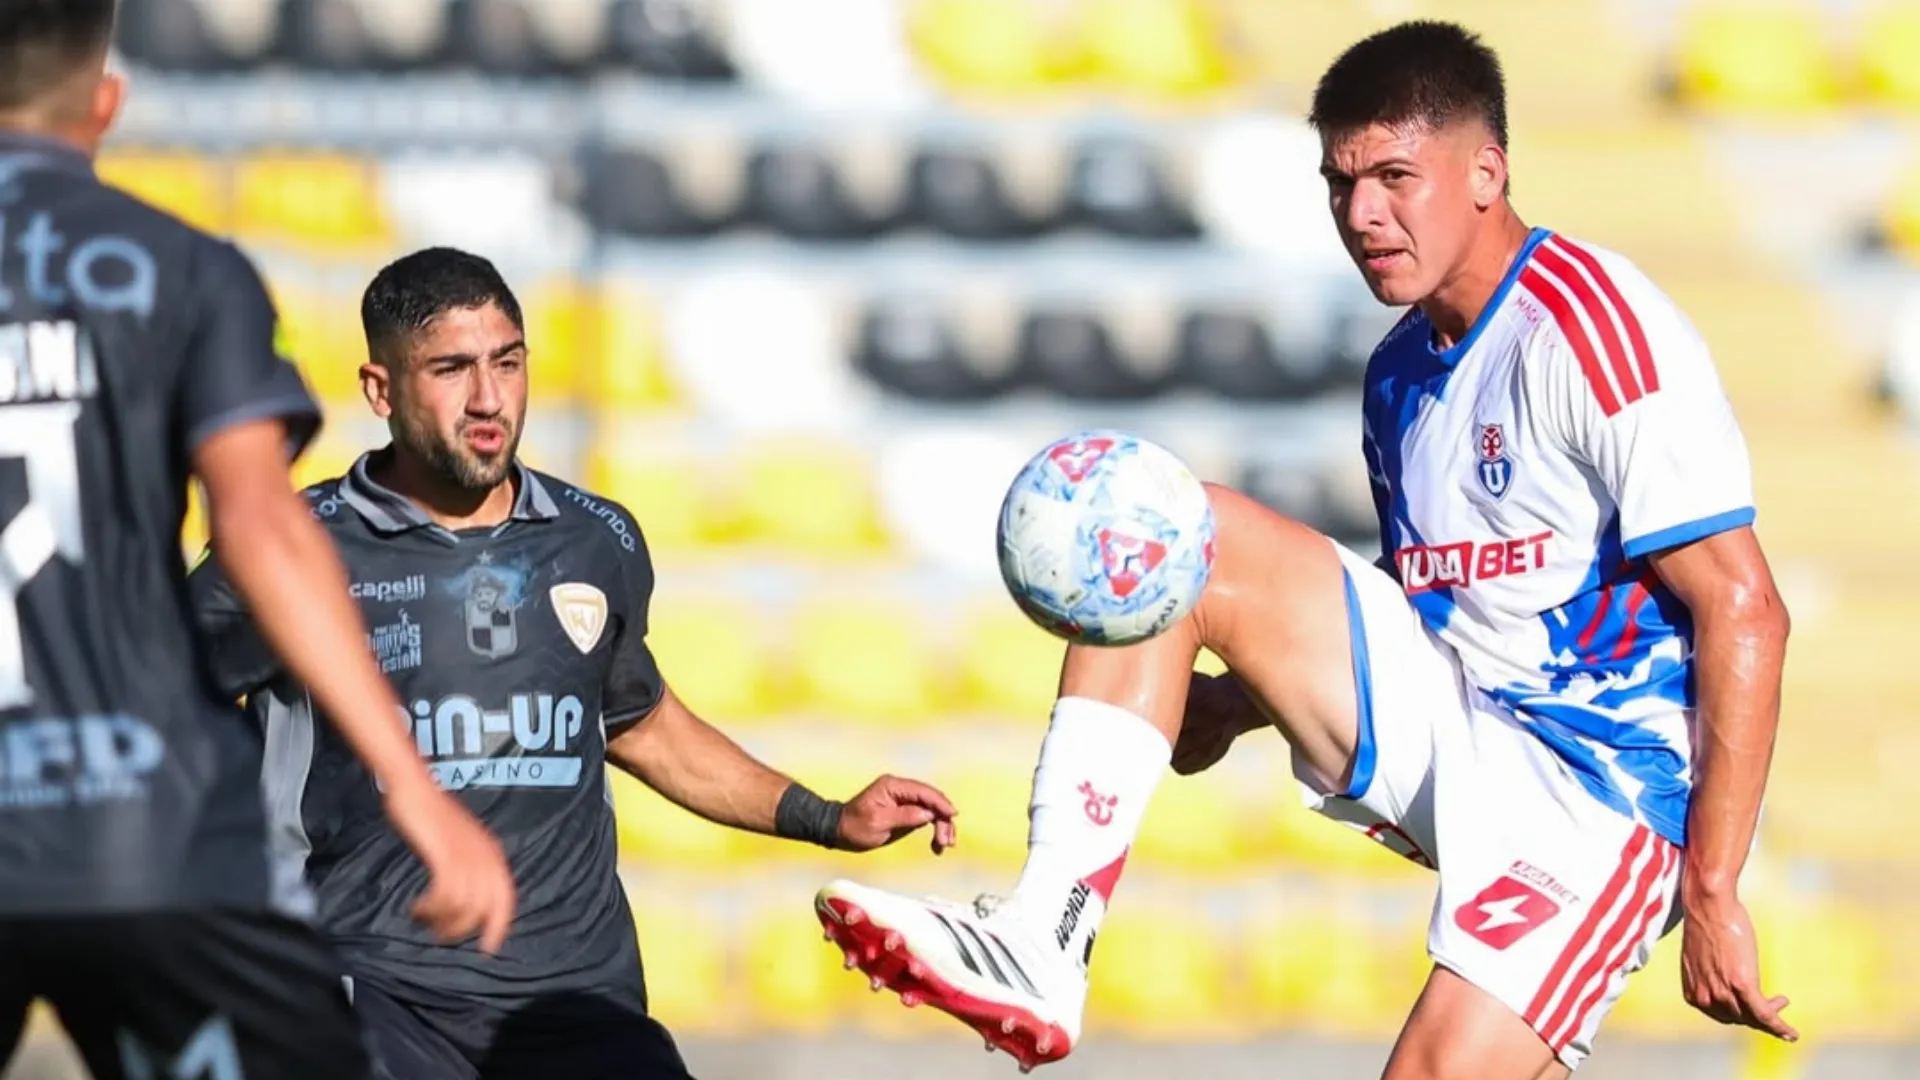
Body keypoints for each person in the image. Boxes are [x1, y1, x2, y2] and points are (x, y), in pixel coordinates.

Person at [815, 20, 1794, 1080]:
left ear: (1486, 170)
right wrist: (1238, 700)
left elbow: (1745, 609)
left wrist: (1713, 888)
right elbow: (1430, 595)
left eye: (1393, 177)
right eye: (1340, 183)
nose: (1363, 214)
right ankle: (1042, 940)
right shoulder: (1400, 370)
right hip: (1461, 724)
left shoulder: (1596, 329)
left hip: (1601, 791)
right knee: (1183, 535)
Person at [188, 246, 961, 1080]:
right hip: (368, 986)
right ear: (381, 390)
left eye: (508, 362)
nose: (488, 398)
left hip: (575, 1000)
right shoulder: (288, 551)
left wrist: (829, 817)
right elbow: (152, 707)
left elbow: (643, 724)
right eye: (451, 369)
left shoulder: (596, 538)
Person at [0, 4, 518, 1079]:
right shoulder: (185, 270)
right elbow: (261, 527)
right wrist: (414, 788)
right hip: (143, 825)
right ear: (106, 105)